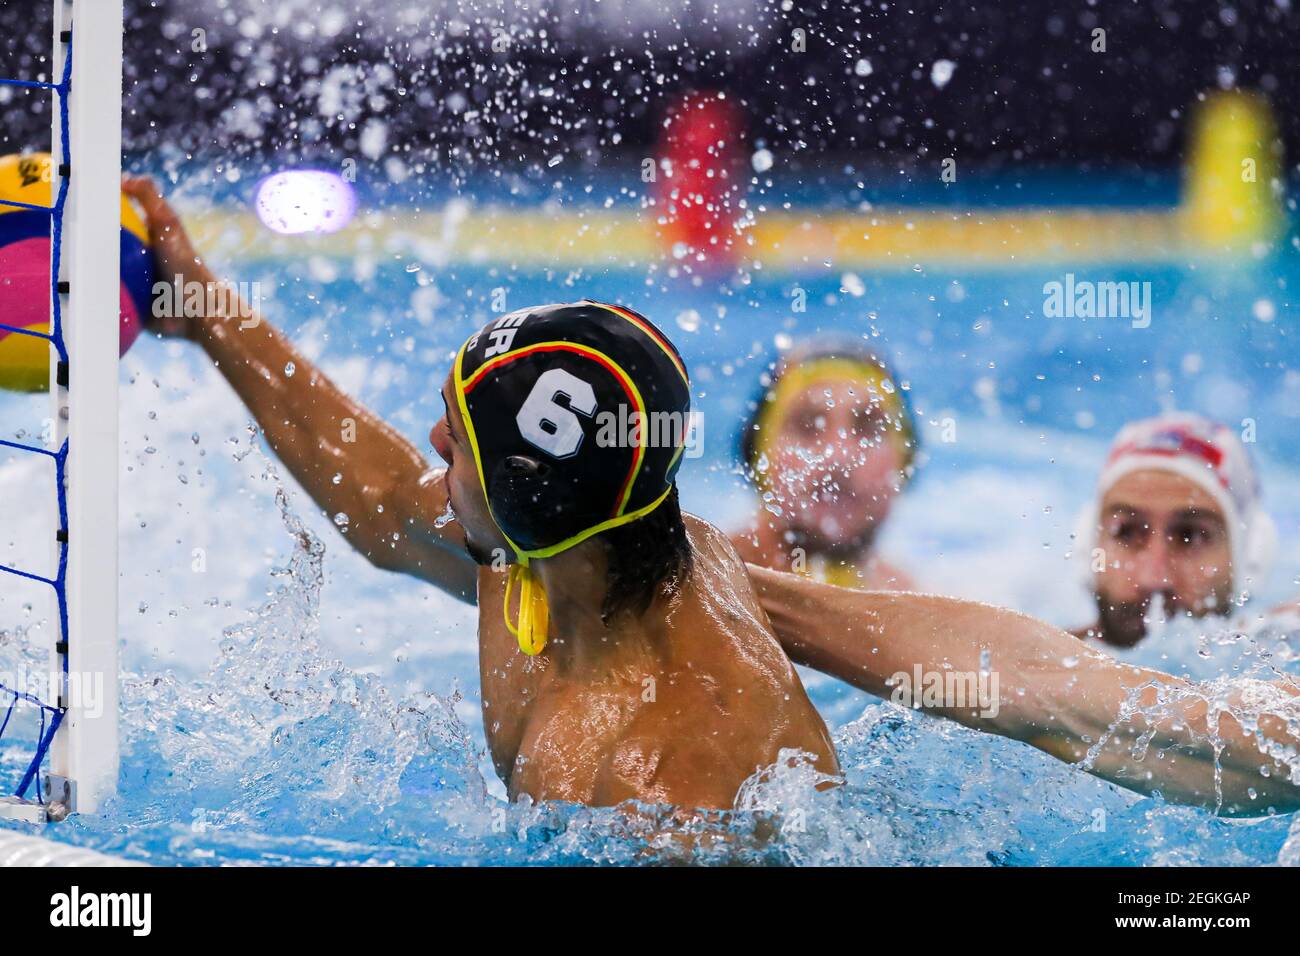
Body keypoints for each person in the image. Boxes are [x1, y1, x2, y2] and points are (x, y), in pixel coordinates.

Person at [125, 178, 1300, 819]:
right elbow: (381, 494)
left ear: (533, 506)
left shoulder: (684, 775)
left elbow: (1044, 699)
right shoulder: (545, 549)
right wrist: (202, 307)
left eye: (460, 437)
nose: (434, 443)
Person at [1070, 412, 1287, 648]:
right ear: (1088, 546)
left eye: (1189, 536)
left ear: (1250, 556)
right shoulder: (1031, 665)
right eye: (1126, 532)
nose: (1154, 579)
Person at [732, 341, 918, 590]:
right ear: (759, 456)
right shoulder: (699, 593)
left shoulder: (909, 600)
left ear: (904, 460)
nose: (838, 456)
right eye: (807, 426)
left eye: (868, 428)